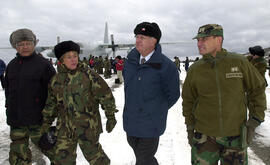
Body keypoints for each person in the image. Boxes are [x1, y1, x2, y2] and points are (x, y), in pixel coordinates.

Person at [182, 24, 266, 165]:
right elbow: (188, 100)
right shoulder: (195, 69)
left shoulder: (239, 62)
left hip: (235, 137)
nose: (199, 43)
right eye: (198, 40)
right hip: (204, 138)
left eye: (204, 39)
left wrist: (254, 121)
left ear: (219, 39)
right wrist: (190, 128)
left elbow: (257, 89)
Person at [41, 40, 118, 165]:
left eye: (75, 56)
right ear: (61, 60)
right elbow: (51, 105)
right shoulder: (55, 81)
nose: (73, 60)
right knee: (61, 160)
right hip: (65, 129)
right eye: (69, 57)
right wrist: (45, 126)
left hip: (88, 127)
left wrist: (110, 116)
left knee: (97, 159)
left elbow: (105, 95)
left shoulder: (88, 75)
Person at [123, 22, 180, 165]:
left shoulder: (166, 66)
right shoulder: (130, 62)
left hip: (151, 125)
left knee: (143, 159)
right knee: (144, 158)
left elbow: (173, 95)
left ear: (154, 40)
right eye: (137, 36)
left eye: (142, 37)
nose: (137, 40)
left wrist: (156, 109)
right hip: (131, 123)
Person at [5, 28, 56, 164]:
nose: (25, 47)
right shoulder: (11, 66)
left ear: (34, 44)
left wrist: (51, 115)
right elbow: (8, 90)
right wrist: (9, 108)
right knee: (18, 156)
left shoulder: (44, 65)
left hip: (39, 120)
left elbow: (55, 92)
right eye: (20, 44)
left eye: (28, 43)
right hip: (17, 121)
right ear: (15, 47)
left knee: (56, 153)